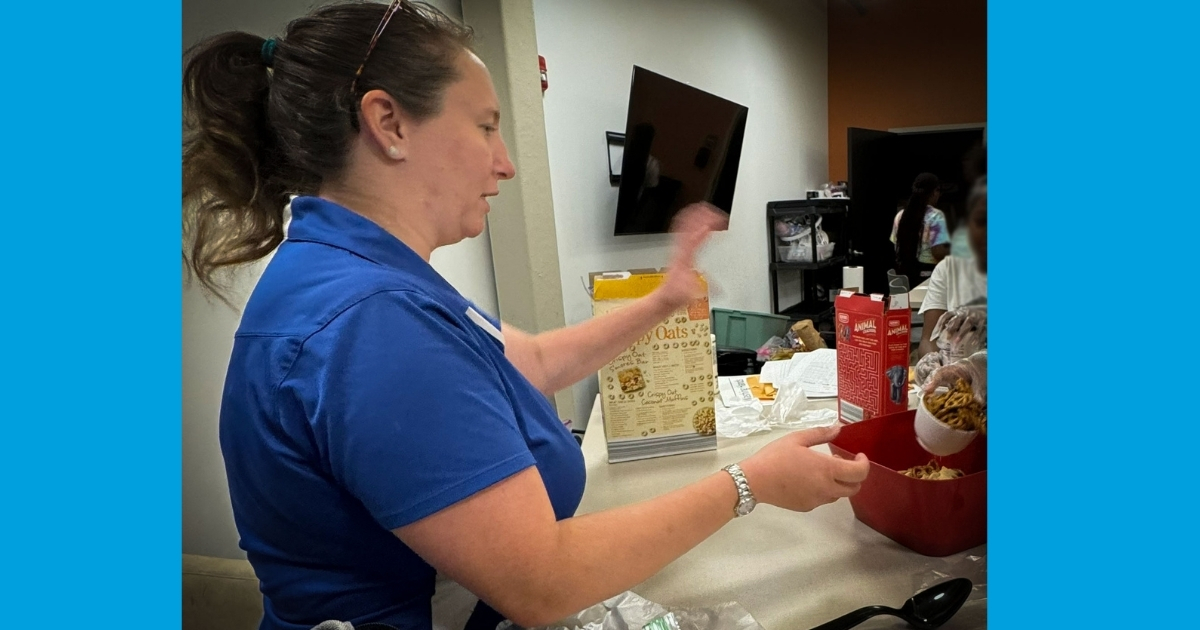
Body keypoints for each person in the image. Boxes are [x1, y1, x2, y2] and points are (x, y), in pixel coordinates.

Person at [182, 3, 870, 630]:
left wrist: (663, 299)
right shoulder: (371, 320)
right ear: (389, 123)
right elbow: (542, 581)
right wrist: (749, 484)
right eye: (485, 127)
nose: (506, 164)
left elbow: (532, 362)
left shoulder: (359, 274)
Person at [915, 176, 987, 358]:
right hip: (926, 269)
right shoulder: (948, 269)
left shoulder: (903, 215)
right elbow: (928, 340)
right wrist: (931, 364)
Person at [891, 172, 950, 289]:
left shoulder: (901, 216)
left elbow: (895, 245)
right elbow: (937, 252)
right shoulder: (936, 216)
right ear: (934, 192)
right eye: (939, 191)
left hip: (904, 277)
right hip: (928, 278)